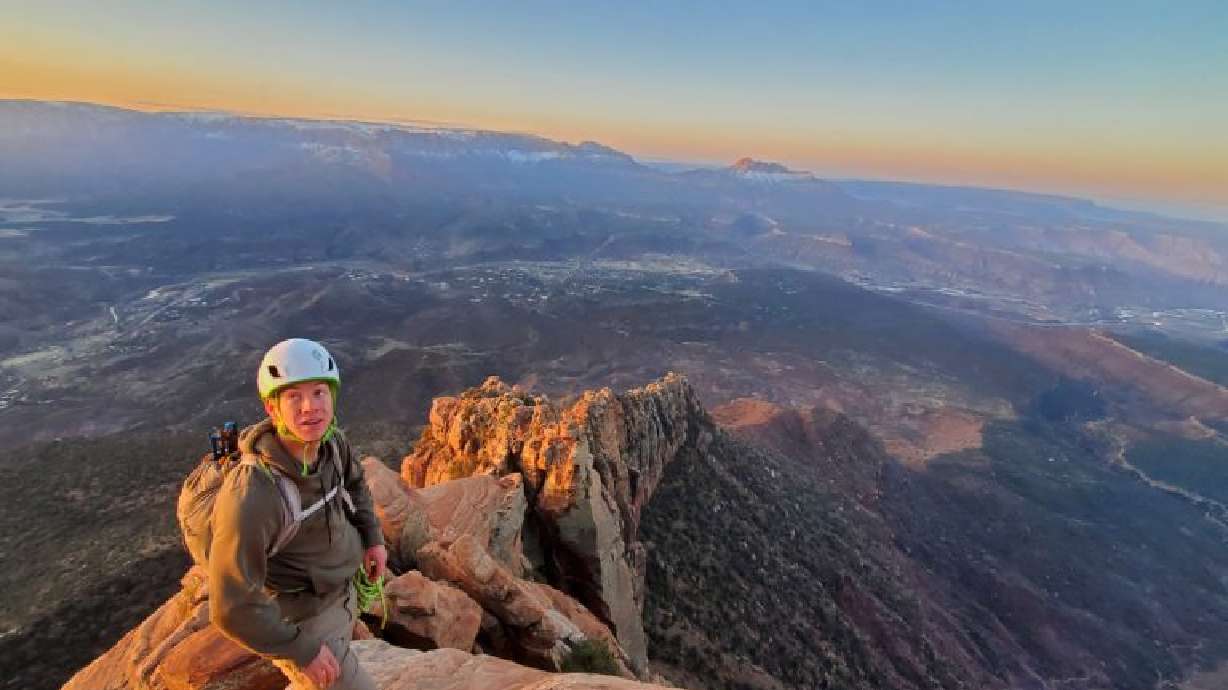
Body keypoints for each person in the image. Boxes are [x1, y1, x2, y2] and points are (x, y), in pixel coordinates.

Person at [208, 338, 387, 690]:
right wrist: (302, 651)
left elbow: (356, 485)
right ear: (272, 408)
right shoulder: (255, 494)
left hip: (342, 588)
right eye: (293, 397)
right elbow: (231, 606)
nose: (310, 407)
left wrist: (372, 537)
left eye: (319, 392)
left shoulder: (332, 443)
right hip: (305, 617)